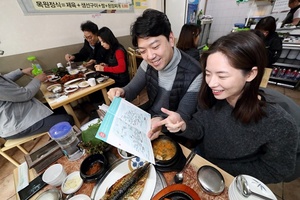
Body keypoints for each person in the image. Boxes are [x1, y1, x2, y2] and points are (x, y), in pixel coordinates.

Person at [149, 31, 299, 184]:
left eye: (222, 76)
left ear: (250, 74)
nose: (212, 83)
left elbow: (276, 170)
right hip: (202, 160)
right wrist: (183, 124)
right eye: (208, 74)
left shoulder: (278, 123)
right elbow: (200, 128)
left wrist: (220, 168)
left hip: (230, 177)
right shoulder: (214, 97)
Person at [107, 9, 202, 141]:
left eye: (156, 46)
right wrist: (121, 92)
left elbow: (183, 115)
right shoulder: (148, 63)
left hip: (174, 132)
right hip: (149, 119)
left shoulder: (195, 73)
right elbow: (131, 89)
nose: (150, 56)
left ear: (170, 39)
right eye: (143, 51)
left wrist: (160, 120)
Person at [0, 67, 74, 139]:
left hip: (25, 111)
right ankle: (70, 141)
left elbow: (3, 80)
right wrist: (37, 80)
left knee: (61, 108)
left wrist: (21, 72)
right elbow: (25, 94)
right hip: (16, 124)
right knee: (67, 120)